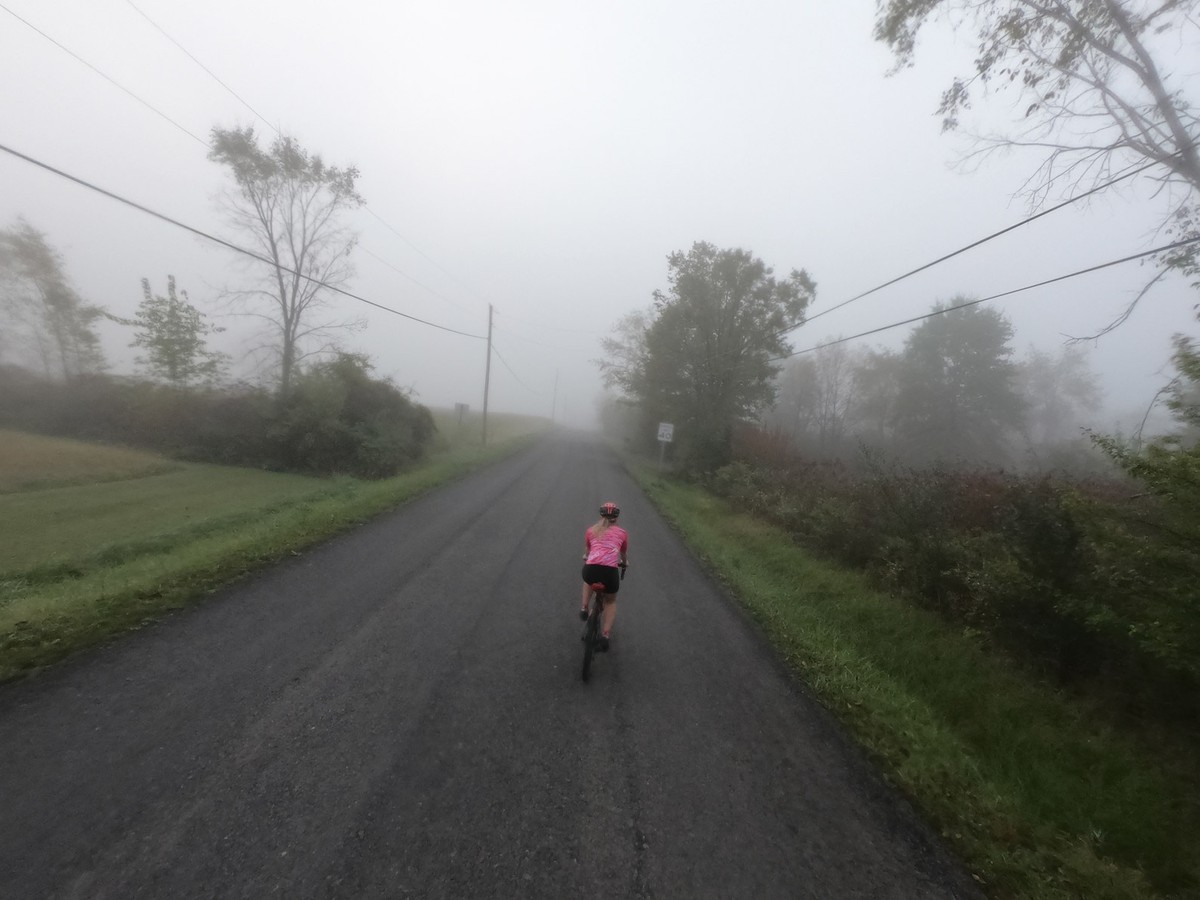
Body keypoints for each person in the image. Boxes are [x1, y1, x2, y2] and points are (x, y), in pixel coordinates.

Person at [580, 501, 628, 651]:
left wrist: (586, 557)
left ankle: (584, 607)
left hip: (591, 570)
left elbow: (588, 553)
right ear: (616, 517)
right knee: (611, 600)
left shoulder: (591, 530)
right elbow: (623, 554)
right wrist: (625, 564)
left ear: (601, 515)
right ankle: (605, 635)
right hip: (610, 573)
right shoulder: (622, 533)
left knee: (588, 581)